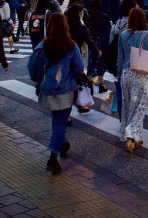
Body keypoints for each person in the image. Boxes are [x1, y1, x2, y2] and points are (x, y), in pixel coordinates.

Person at [29, 13, 84, 175]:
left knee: (57, 121)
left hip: (49, 89)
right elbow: (79, 68)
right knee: (60, 122)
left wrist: (39, 78)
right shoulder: (71, 45)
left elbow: (33, 68)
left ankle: (62, 143)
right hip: (66, 90)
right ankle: (53, 156)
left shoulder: (42, 46)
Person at [117, 7, 148, 152]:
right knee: (140, 107)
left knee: (129, 106)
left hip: (125, 73)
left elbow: (120, 57)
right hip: (139, 74)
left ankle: (136, 137)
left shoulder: (123, 35)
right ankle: (131, 133)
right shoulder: (147, 35)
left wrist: (119, 77)